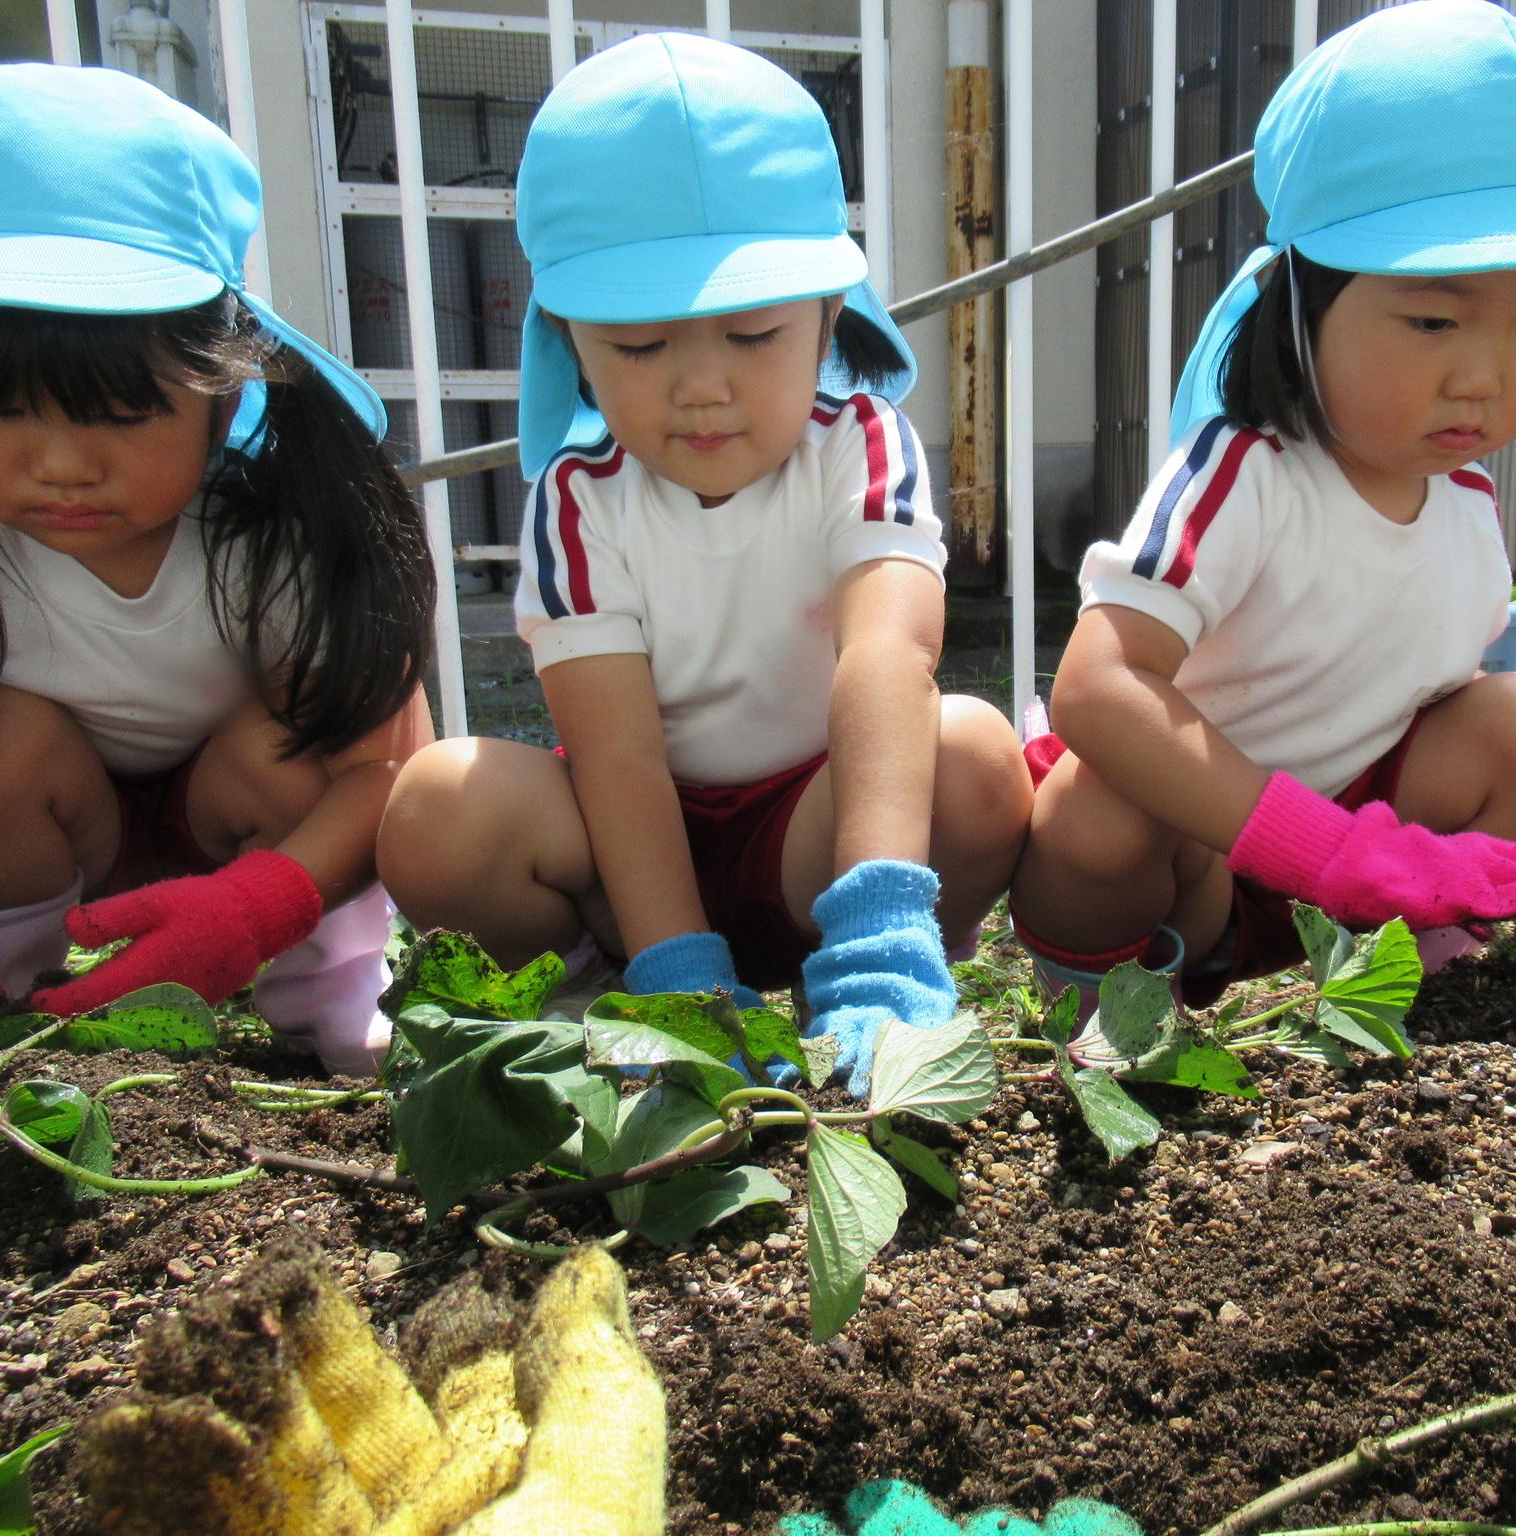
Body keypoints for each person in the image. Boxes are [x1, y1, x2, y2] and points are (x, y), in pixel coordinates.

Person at [1008, 0, 1516, 1008]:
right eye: (1432, 318)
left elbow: (1415, 698)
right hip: (1189, 863)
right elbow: (1097, 686)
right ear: (1299, 301)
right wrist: (1320, 846)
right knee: (1100, 812)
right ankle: (1112, 1021)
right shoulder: (1245, 473)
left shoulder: (1464, 502)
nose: (1483, 374)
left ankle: (1428, 983)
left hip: (1361, 870)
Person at [379, 34, 1032, 1096]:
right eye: (639, 348)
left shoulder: (858, 441)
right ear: (566, 337)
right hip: (632, 851)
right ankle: (609, 1001)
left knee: (971, 755)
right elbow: (619, 755)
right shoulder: (579, 495)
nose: (700, 389)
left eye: (752, 333)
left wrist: (875, 912)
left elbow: (886, 656)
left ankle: (869, 982)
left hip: (816, 835)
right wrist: (675, 974)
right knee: (437, 807)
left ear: (829, 315)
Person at [0, 65, 436, 1074]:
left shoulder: (271, 539)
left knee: (284, 750)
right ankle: (11, 1020)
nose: (62, 462)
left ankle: (323, 1016)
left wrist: (252, 906)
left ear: (220, 389)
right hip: (51, 846)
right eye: (2, 411)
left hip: (239, 837)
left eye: (118, 413)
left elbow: (381, 773)